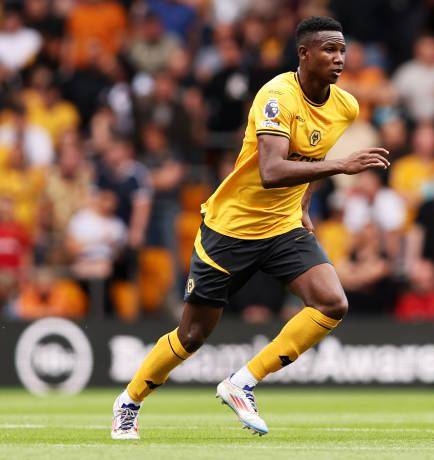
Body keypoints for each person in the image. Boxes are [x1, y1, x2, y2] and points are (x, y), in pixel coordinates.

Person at [111, 16, 390, 440]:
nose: (339, 58)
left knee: (332, 303)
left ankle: (242, 383)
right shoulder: (276, 95)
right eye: (329, 50)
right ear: (304, 54)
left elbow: (310, 161)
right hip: (231, 228)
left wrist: (306, 206)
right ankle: (129, 401)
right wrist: (344, 167)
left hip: (282, 227)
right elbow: (273, 169)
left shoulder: (344, 106)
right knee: (192, 334)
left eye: (342, 50)